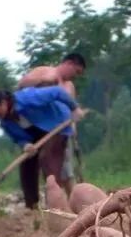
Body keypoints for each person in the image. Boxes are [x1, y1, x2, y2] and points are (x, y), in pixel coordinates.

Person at [0, 86, 82, 210]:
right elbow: (18, 138)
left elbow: (57, 92)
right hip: (36, 137)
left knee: (50, 162)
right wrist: (26, 145)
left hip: (58, 127)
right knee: (26, 165)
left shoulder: (28, 98)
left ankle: (60, 205)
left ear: (3, 102)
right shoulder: (5, 122)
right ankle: (32, 207)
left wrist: (74, 108)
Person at [18, 52, 87, 194]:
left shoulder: (69, 86)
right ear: (69, 64)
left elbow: (71, 110)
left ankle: (71, 201)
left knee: (65, 170)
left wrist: (73, 128)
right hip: (40, 130)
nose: (76, 76)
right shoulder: (44, 71)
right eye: (76, 71)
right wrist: (42, 80)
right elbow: (21, 85)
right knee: (38, 165)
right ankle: (36, 203)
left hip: (61, 132)